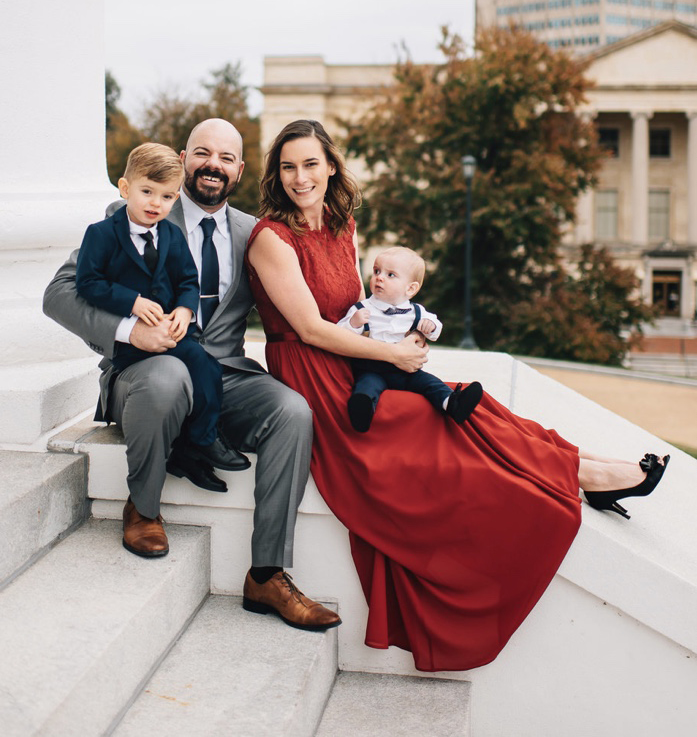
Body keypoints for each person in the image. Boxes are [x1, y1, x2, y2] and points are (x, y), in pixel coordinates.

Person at [245, 118, 670, 672]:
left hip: (356, 360)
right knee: (434, 424)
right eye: (287, 166)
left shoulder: (341, 224)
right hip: (317, 379)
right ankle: (582, 476)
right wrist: (394, 357)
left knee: (468, 401)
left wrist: (406, 338)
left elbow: (362, 313)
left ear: (330, 167)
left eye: (310, 164)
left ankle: (585, 465)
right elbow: (312, 329)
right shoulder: (270, 238)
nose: (300, 178)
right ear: (277, 175)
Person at [44, 119, 340, 632]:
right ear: (183, 158)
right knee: (167, 379)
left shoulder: (256, 234)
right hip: (144, 371)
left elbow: (308, 308)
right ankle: (143, 508)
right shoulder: (136, 211)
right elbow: (59, 294)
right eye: (202, 153)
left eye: (226, 158)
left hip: (224, 372)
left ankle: (267, 573)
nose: (213, 166)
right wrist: (127, 331)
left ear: (240, 170)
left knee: (292, 411)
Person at [75, 142, 243, 484]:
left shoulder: (171, 234)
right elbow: (88, 283)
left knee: (204, 366)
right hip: (130, 342)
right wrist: (132, 303)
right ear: (125, 189)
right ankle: (193, 444)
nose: (156, 203)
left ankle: (198, 440)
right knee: (175, 377)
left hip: (167, 332)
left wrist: (184, 307)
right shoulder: (101, 233)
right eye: (147, 192)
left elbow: (187, 279)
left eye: (167, 197)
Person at [336, 246, 482, 432]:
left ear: (410, 288)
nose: (379, 277)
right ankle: (363, 411)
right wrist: (354, 324)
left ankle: (452, 403)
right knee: (367, 386)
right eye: (376, 271)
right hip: (371, 367)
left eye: (390, 275)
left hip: (405, 370)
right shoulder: (362, 308)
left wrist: (430, 328)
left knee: (429, 382)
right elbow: (340, 334)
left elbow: (436, 329)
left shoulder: (417, 312)